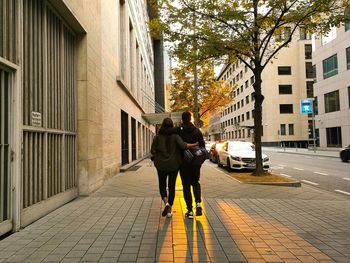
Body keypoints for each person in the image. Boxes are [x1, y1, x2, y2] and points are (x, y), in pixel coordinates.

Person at [151, 118, 198, 218]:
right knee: (172, 187)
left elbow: (152, 150)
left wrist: (156, 156)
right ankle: (169, 210)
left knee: (162, 185)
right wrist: (195, 144)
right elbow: (184, 145)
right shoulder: (175, 136)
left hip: (161, 166)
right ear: (172, 125)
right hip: (174, 165)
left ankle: (166, 203)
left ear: (162, 125)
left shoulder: (157, 137)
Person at [177, 111, 206, 219]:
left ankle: (189, 210)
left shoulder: (179, 132)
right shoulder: (197, 131)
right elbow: (203, 147)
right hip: (195, 163)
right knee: (196, 182)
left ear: (182, 119)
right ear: (191, 119)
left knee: (186, 186)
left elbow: (178, 146)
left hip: (184, 163)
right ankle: (198, 203)